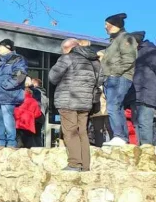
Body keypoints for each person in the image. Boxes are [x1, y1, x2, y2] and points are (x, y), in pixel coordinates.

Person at [49, 38, 101, 172]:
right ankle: (85, 165)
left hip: (68, 99)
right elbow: (101, 79)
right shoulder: (94, 61)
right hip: (85, 102)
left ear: (68, 48)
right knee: (82, 132)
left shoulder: (67, 58)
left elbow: (52, 77)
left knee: (70, 132)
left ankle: (74, 164)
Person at [100, 13, 141, 147]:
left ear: (113, 25)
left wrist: (113, 74)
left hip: (118, 78)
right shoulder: (114, 41)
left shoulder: (126, 38)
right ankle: (122, 137)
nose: (105, 27)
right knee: (117, 106)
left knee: (113, 106)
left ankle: (119, 136)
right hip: (113, 78)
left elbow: (129, 59)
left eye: (106, 24)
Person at [0, 39, 28, 150]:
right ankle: (0, 142)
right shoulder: (1, 63)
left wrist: (6, 85)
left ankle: (11, 142)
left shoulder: (18, 59)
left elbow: (20, 75)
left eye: (0, 46)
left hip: (9, 95)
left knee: (7, 118)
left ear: (8, 47)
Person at [134, 36, 156, 147]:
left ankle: (147, 151)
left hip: (147, 94)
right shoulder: (138, 52)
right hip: (138, 94)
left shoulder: (149, 51)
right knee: (139, 123)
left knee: (144, 122)